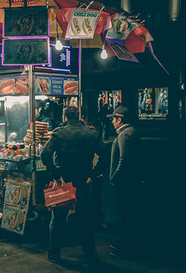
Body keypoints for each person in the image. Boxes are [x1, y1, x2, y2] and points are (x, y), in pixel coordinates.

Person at [41, 106, 107, 266]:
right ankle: (90, 254)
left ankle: (54, 253)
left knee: (58, 220)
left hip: (63, 182)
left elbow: (45, 154)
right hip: (83, 181)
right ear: (79, 117)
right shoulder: (91, 133)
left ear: (65, 117)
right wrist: (93, 173)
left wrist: (57, 174)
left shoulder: (58, 133)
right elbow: (105, 154)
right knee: (86, 219)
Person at [106, 106, 142, 257]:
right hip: (132, 179)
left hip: (125, 181)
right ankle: (127, 240)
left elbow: (123, 159)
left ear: (119, 120)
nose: (112, 121)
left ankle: (127, 244)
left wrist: (115, 176)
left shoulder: (124, 135)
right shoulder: (132, 131)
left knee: (126, 211)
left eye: (113, 119)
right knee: (128, 211)